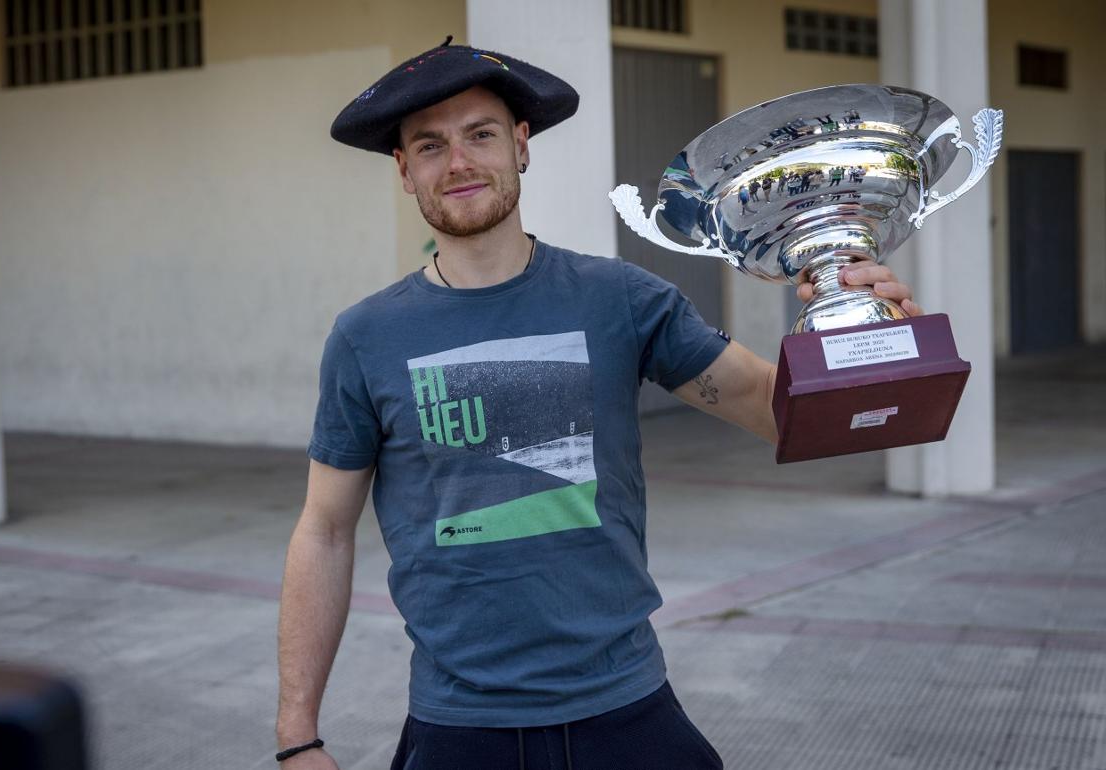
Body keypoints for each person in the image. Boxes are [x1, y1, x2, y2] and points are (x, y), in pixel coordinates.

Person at [276, 40, 921, 770]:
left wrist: (870, 338)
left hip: (624, 710)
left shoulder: (619, 299)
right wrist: (298, 734)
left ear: (522, 146)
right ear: (403, 169)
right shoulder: (366, 336)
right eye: (430, 145)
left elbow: (780, 411)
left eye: (481, 134)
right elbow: (324, 532)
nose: (457, 162)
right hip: (460, 727)